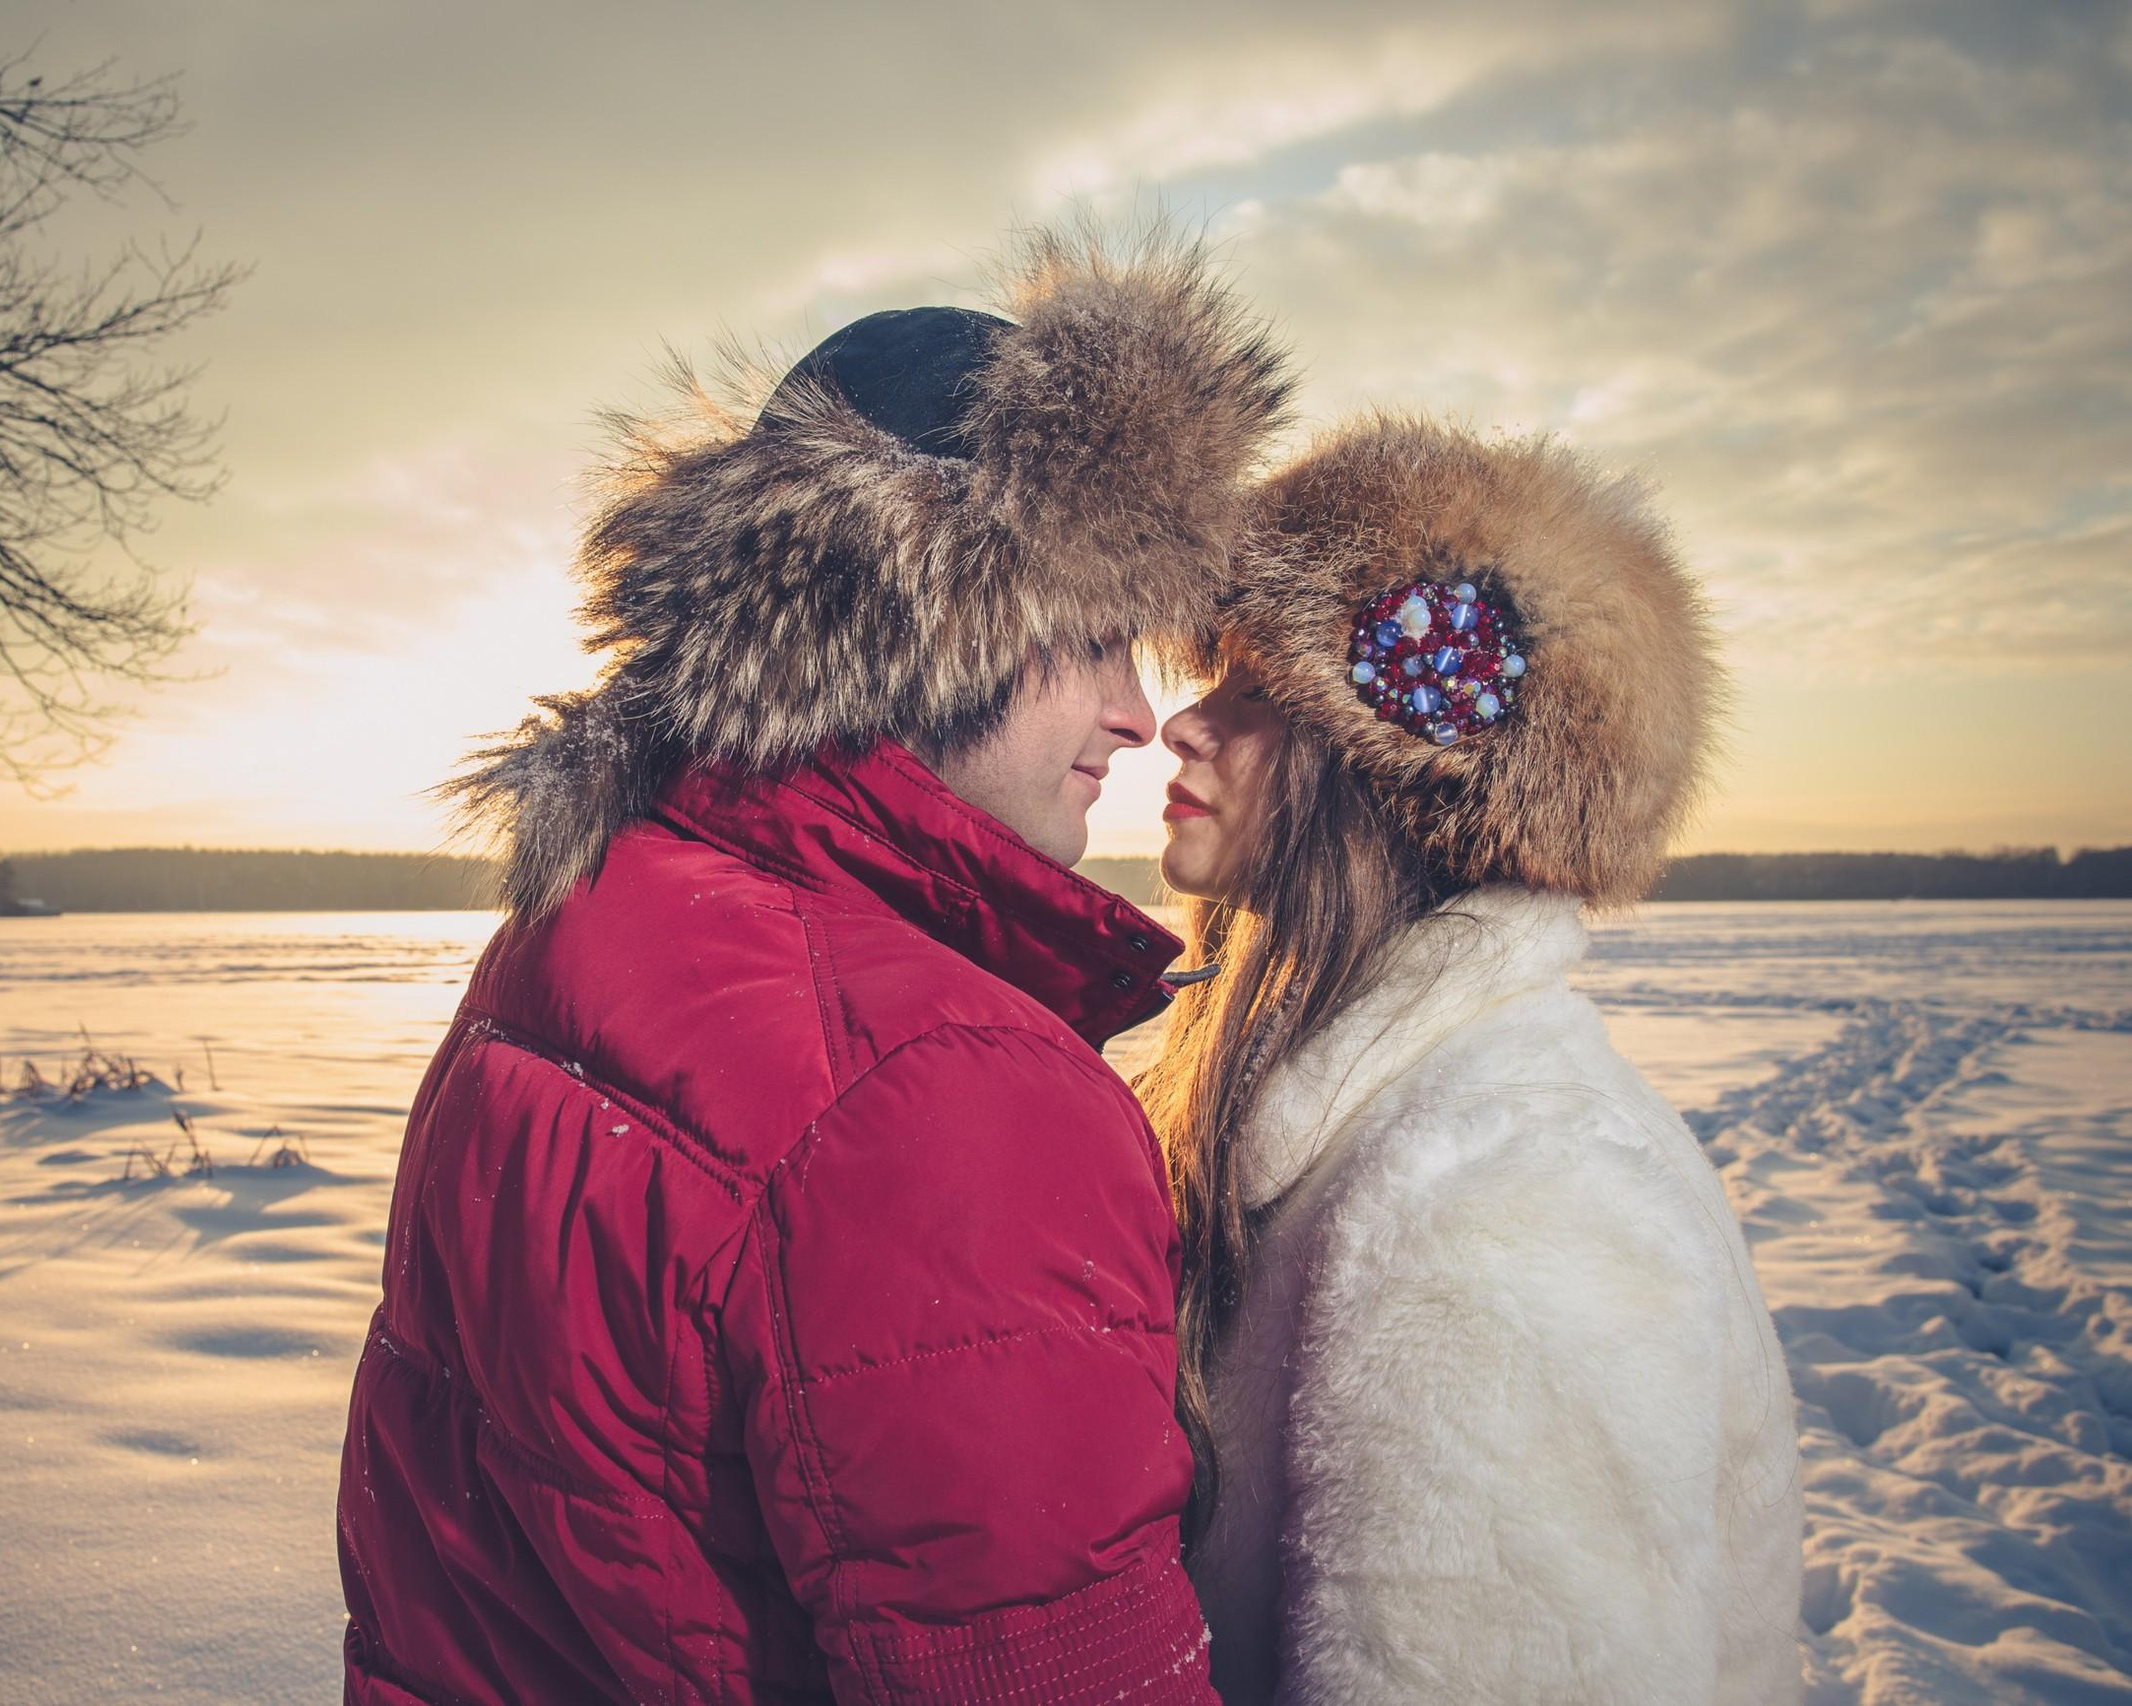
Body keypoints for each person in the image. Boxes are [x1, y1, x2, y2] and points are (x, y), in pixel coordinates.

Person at [337, 228, 1296, 1704]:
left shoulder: (587, 922)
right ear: (917, 618)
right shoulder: (938, 1095)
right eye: (1099, 635)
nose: (1134, 713)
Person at [1144, 416, 1806, 1704]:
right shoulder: (1381, 1130)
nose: (1182, 722)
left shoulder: (1506, 1194)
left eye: (1259, 694)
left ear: (1393, 780)